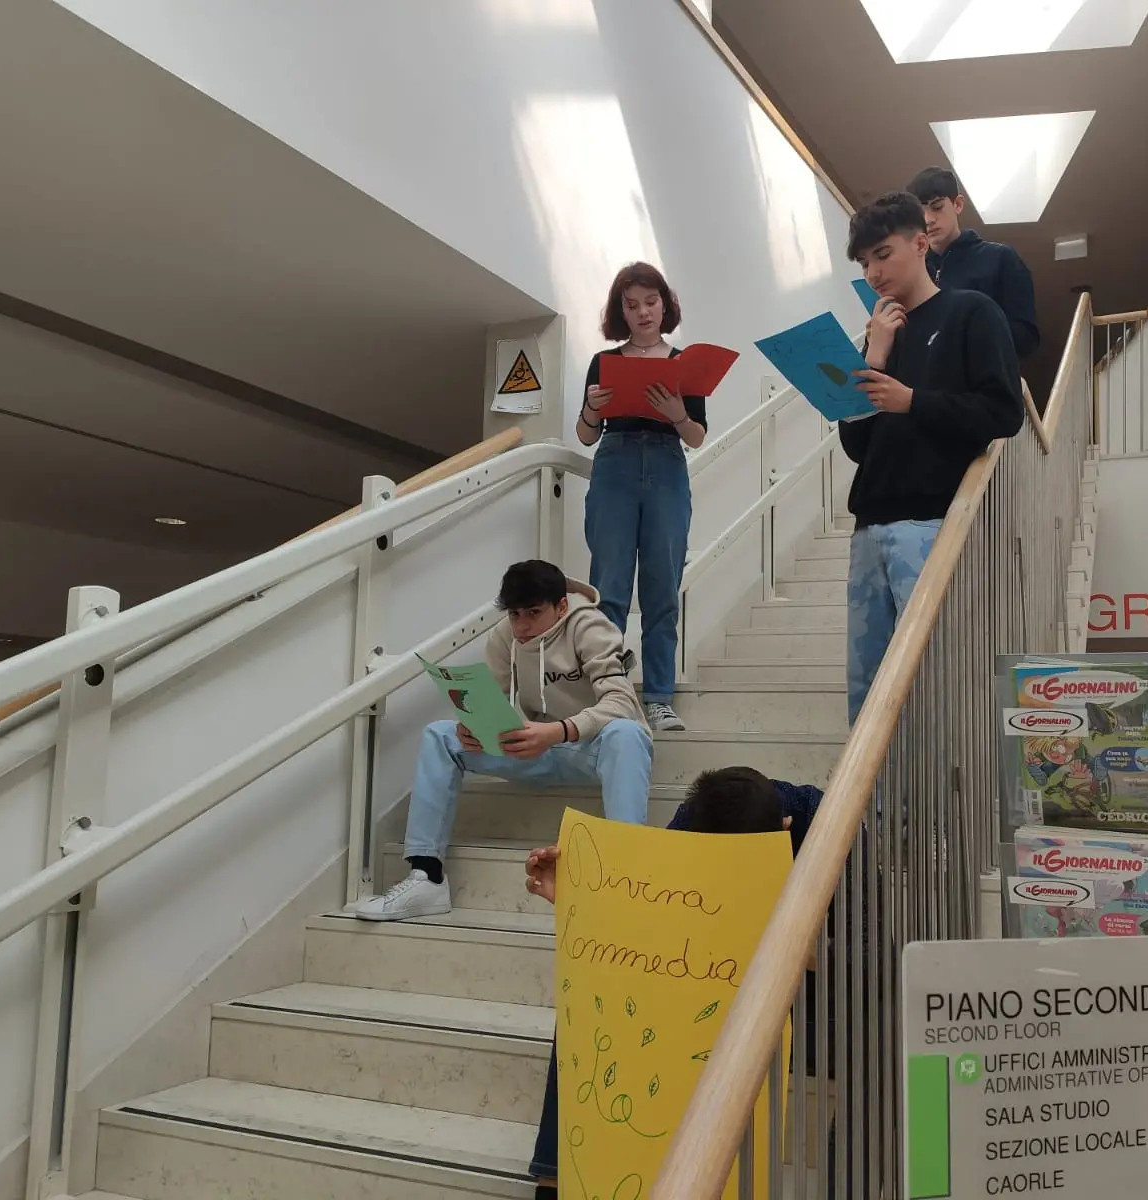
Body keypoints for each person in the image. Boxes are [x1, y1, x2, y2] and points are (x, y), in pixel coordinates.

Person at [522, 766, 823, 1199]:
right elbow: (645, 922)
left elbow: (868, 955)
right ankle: (555, 1175)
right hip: (709, 970)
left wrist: (776, 934)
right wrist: (573, 896)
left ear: (783, 831)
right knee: (594, 992)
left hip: (799, 991)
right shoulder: (691, 819)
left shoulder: (826, 822)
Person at [352, 560, 652, 921]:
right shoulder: (505, 636)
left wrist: (559, 731)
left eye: (533, 613)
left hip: (593, 749)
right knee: (441, 735)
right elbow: (490, 700)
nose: (522, 625)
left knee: (627, 732)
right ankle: (426, 877)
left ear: (561, 606)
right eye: (514, 614)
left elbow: (620, 702)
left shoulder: (590, 626)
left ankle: (627, 877)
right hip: (536, 747)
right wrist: (474, 727)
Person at [843, 191, 1025, 724]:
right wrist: (874, 357)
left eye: (882, 253)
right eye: (863, 262)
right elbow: (857, 447)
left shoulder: (972, 311)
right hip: (867, 527)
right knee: (865, 692)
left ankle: (932, 809)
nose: (873, 271)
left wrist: (912, 401)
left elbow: (1003, 411)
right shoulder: (881, 335)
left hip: (932, 524)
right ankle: (872, 810)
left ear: (921, 243)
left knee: (930, 685)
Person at [576, 262, 708, 733]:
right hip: (614, 463)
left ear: (665, 304)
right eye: (631, 305)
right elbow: (586, 436)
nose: (643, 312)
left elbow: (696, 437)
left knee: (662, 586)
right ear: (621, 312)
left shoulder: (684, 361)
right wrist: (593, 406)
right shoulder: (604, 361)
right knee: (608, 586)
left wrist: (676, 414)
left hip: (668, 465)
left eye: (651, 301)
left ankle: (657, 696)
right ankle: (608, 693)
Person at [907, 166, 1040, 359]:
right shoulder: (916, 271)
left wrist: (968, 335)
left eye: (937, 207)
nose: (928, 220)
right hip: (927, 385)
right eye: (919, 213)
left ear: (958, 205)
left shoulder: (1000, 258)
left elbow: (1026, 338)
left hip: (986, 381)